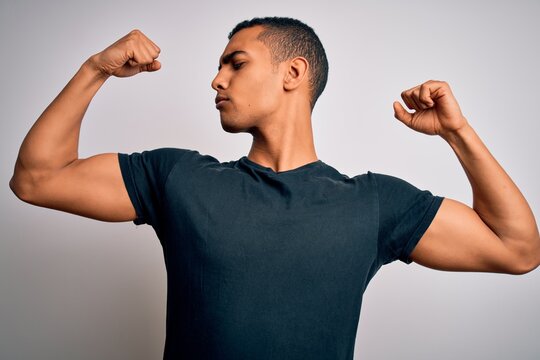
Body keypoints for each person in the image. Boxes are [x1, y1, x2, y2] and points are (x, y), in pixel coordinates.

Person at [9, 16, 539, 360]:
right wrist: (94, 69)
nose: (216, 80)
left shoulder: (373, 203)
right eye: (219, 67)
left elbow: (517, 249)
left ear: (294, 72)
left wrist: (457, 133)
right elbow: (36, 179)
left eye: (235, 63)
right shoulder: (179, 179)